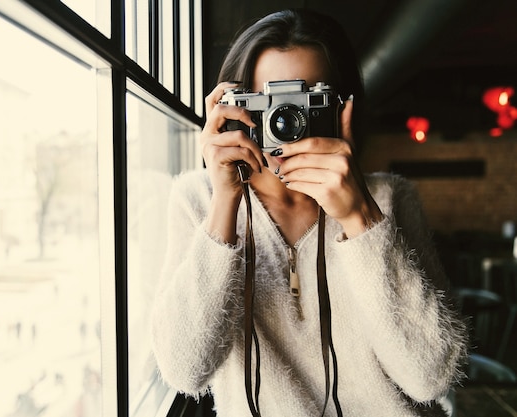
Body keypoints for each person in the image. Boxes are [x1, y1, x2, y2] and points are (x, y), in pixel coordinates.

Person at [151, 9, 467, 417]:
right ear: (231, 109)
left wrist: (360, 219)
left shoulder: (389, 198)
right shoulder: (198, 200)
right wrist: (224, 205)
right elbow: (183, 371)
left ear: (344, 109)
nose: (285, 123)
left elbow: (433, 377)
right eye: (266, 103)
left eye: (304, 101)